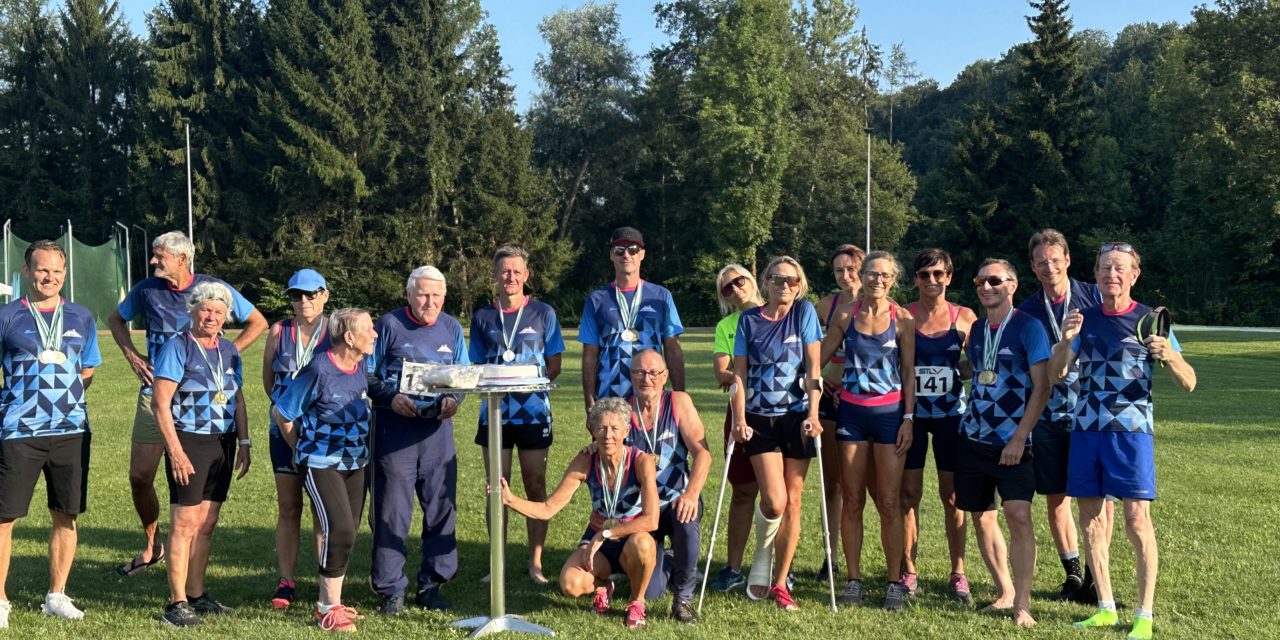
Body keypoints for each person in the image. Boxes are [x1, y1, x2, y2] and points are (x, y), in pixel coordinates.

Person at [1050, 242, 1195, 640]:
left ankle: (1144, 614)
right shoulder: (1084, 318)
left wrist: (1170, 356)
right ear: (1094, 275)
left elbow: (1190, 382)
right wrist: (1065, 342)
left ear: (1134, 275)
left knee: (1136, 520)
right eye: (1104, 268)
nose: (1111, 274)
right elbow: (1057, 375)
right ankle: (1106, 609)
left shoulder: (1150, 321)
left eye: (1120, 268)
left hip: (1131, 435)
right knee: (1092, 522)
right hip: (1086, 430)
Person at [107, 231, 267, 577]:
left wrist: (225, 357)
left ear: (182, 258)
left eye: (159, 255)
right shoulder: (147, 290)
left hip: (203, 403)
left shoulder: (212, 288)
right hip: (158, 393)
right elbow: (115, 320)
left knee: (194, 491)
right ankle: (153, 545)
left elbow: (258, 321)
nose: (153, 261)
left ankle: (188, 576)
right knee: (140, 476)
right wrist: (132, 356)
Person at [0, 240, 101, 628]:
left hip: (71, 431)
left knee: (66, 515)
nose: (50, 277)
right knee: (5, 518)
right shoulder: (8, 316)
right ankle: (2, 600)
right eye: (43, 270)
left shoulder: (81, 316)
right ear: (27, 271)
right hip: (18, 431)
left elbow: (88, 368)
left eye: (57, 271)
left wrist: (63, 398)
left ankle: (56, 595)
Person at [501, 398, 660, 630]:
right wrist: (510, 499)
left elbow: (651, 519)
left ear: (626, 431)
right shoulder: (586, 460)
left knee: (644, 544)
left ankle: (637, 602)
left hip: (630, 538)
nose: (608, 435)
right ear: (592, 430)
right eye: (602, 428)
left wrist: (606, 533)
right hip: (599, 540)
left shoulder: (641, 461)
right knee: (570, 584)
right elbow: (548, 509)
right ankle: (603, 586)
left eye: (615, 429)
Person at [367, 266, 468, 614]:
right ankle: (390, 589)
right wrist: (389, 397)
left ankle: (432, 585)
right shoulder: (388, 325)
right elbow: (366, 372)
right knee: (392, 511)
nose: (430, 302)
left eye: (436, 296)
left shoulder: (452, 327)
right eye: (423, 294)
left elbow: (462, 374)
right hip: (395, 430)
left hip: (438, 432)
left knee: (441, 509)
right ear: (409, 294)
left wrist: (454, 400)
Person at [956, 259, 1050, 628]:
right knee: (982, 517)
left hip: (1013, 442)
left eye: (994, 280)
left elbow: (1041, 389)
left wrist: (1019, 437)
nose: (986, 286)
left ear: (1012, 285)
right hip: (974, 437)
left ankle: (1023, 604)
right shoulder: (977, 328)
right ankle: (1004, 592)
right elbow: (979, 370)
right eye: (980, 280)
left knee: (1019, 516)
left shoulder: (1030, 327)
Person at [820, 250, 917, 610]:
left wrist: (909, 417)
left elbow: (908, 374)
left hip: (890, 415)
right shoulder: (846, 314)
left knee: (889, 502)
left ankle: (894, 582)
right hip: (851, 414)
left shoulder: (903, 319)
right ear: (862, 275)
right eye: (872, 274)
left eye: (885, 275)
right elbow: (820, 357)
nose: (877, 280)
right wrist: (815, 378)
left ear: (893, 280)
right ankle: (853, 580)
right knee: (853, 498)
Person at [151, 282, 252, 627]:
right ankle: (176, 602)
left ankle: (196, 594)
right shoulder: (177, 347)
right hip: (189, 441)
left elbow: (237, 398)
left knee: (207, 523)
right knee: (184, 523)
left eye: (219, 312)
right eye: (206, 309)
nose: (211, 316)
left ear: (226, 317)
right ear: (193, 310)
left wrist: (246, 442)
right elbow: (160, 403)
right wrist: (176, 451)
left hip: (222, 443)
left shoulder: (229, 350)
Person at [1016, 229, 1107, 602]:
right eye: (1041, 261)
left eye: (1055, 259)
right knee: (1056, 499)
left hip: (1094, 416)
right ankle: (1072, 574)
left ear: (1067, 260)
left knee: (1097, 501)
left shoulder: (1095, 295)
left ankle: (1093, 576)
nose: (1048, 266)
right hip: (1049, 417)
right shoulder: (1028, 311)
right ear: (1033, 267)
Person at [274, 308, 377, 633]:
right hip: (321, 463)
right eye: (369, 329)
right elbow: (284, 412)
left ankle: (334, 600)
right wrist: (300, 450)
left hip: (355, 463)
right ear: (349, 337)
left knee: (347, 532)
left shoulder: (362, 365)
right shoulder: (319, 368)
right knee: (340, 528)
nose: (374, 335)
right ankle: (326, 609)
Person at [468, 246, 565, 584]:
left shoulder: (543, 313)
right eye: (504, 271)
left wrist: (528, 386)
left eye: (516, 271)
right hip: (494, 413)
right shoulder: (482, 317)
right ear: (494, 276)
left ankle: (535, 561)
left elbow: (554, 364)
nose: (510, 277)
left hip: (534, 412)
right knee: (497, 486)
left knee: (535, 484)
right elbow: (476, 365)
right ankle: (498, 561)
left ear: (526, 276)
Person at [730, 256, 823, 610]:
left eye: (792, 280)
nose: (785, 285)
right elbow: (740, 374)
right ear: (765, 282)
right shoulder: (748, 320)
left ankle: (780, 582)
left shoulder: (804, 314)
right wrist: (739, 418)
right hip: (759, 418)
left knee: (794, 500)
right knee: (774, 500)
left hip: (796, 417)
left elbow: (814, 368)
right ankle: (762, 557)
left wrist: (814, 413)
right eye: (778, 279)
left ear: (800, 285)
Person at [901, 248, 977, 603]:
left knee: (953, 497)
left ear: (949, 277)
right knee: (908, 495)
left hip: (951, 417)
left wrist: (960, 370)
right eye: (924, 274)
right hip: (911, 417)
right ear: (915, 279)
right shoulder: (903, 316)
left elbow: (981, 360)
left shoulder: (964, 317)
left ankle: (958, 571)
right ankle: (909, 569)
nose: (932, 281)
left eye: (939, 274)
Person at [262, 269, 331, 609]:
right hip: (284, 431)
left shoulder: (335, 330)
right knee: (289, 506)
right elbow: (268, 382)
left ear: (324, 296)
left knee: (323, 511)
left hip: (323, 433)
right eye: (296, 295)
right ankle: (286, 580)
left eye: (310, 294)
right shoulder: (278, 331)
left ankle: (326, 581)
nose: (303, 301)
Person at [626, 349, 711, 623]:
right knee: (651, 592)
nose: (646, 379)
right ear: (630, 375)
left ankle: (683, 600)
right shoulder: (623, 409)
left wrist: (692, 493)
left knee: (687, 516)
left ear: (665, 376)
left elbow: (703, 453)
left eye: (653, 373)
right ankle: (669, 560)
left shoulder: (678, 402)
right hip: (641, 509)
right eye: (639, 372)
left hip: (676, 500)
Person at [580, 226, 685, 407]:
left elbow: (673, 349)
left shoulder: (661, 296)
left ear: (642, 254)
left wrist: (681, 399)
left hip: (652, 397)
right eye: (619, 251)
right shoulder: (597, 300)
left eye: (633, 250)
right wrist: (590, 403)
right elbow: (590, 355)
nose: (626, 255)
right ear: (611, 255)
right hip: (609, 398)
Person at [707, 265, 764, 592]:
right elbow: (721, 371)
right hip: (741, 411)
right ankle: (733, 567)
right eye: (726, 288)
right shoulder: (727, 325)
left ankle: (771, 567)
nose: (734, 289)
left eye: (738, 281)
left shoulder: (778, 313)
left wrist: (740, 370)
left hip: (778, 412)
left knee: (779, 497)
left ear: (751, 280)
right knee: (743, 491)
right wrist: (752, 371)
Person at [812, 244, 864, 582]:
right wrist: (823, 382)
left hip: (868, 404)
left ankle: (899, 564)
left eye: (851, 269)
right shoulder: (824, 307)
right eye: (838, 271)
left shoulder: (885, 308)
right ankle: (830, 558)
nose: (845, 276)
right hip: (831, 400)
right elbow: (812, 355)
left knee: (867, 488)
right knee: (833, 485)